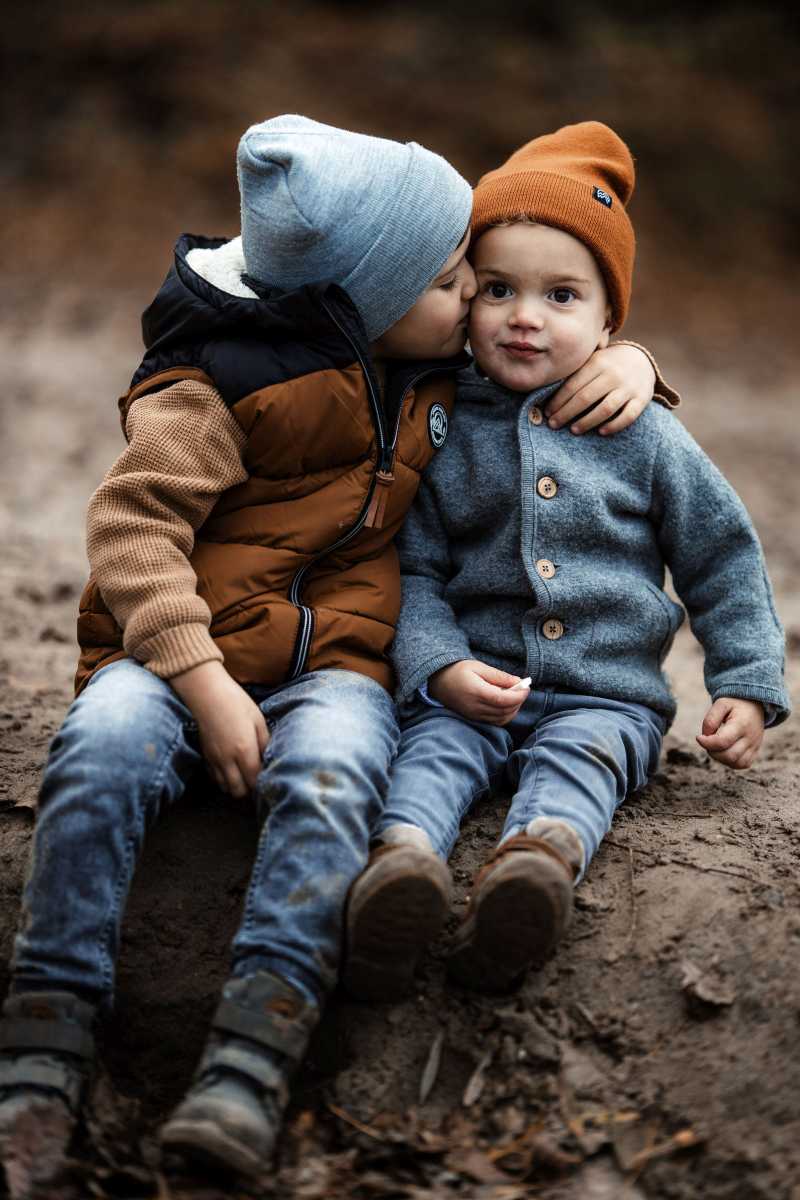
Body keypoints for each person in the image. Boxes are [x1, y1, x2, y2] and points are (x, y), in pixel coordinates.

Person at [0, 115, 667, 1186]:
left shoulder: (430, 366)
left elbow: (551, 350)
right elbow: (132, 533)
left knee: (336, 774)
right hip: (179, 659)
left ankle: (252, 1054)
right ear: (366, 303)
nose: (477, 302)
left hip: (336, 671)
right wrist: (204, 683)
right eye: (455, 281)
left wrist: (633, 360)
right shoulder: (209, 383)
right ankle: (46, 1030)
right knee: (103, 744)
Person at [343, 121, 790, 1003]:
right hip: (475, 683)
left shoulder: (647, 434)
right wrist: (440, 668)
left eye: (561, 295)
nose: (524, 316)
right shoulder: (438, 422)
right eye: (499, 288)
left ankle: (535, 871)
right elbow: (415, 570)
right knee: (430, 755)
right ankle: (399, 874)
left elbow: (721, 554)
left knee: (582, 762)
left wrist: (745, 676)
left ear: (609, 318)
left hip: (604, 693)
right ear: (463, 295)